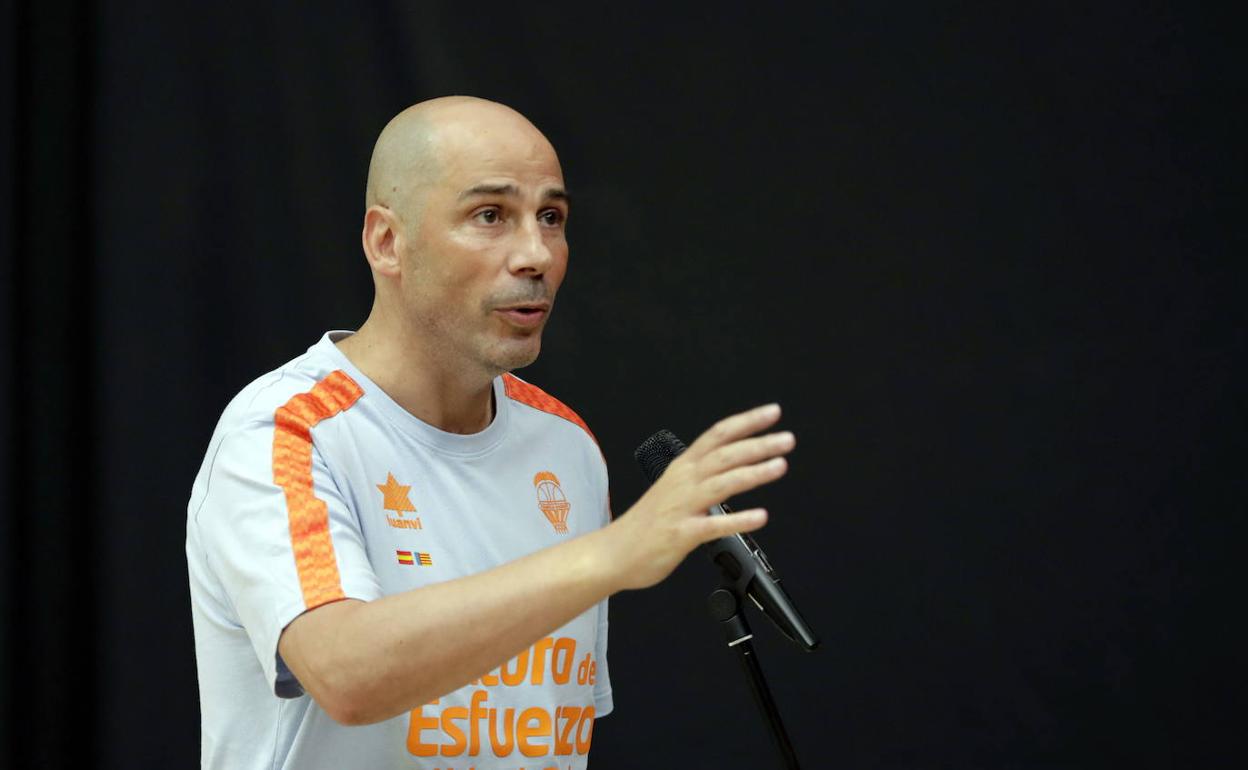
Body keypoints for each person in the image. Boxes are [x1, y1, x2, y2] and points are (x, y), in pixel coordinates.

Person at [185, 95, 796, 770]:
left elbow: (542, 739)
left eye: (552, 218)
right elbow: (345, 677)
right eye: (490, 216)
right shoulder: (285, 431)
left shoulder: (567, 448)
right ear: (387, 242)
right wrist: (612, 555)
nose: (536, 254)